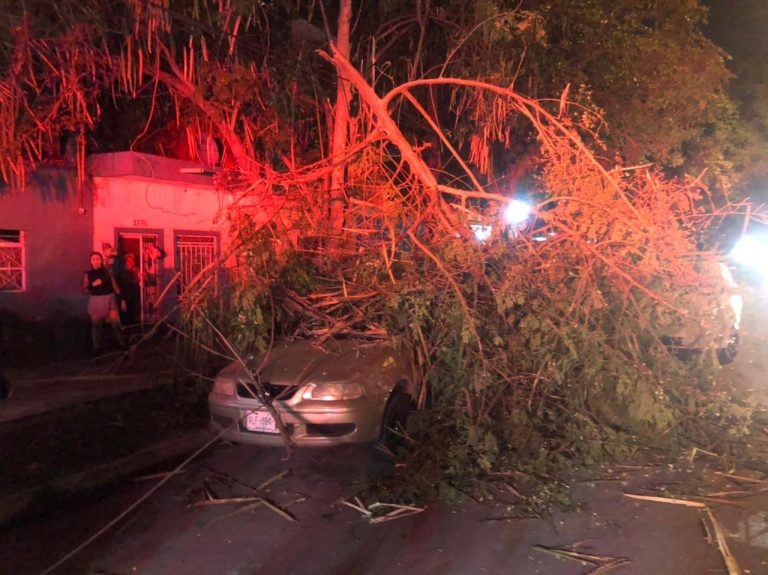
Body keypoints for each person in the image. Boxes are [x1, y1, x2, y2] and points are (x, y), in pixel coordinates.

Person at [82, 251, 126, 354]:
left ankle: (124, 346)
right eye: (93, 259)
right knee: (96, 326)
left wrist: (123, 299)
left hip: (109, 299)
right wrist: (93, 285)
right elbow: (84, 290)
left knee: (116, 324)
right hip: (96, 301)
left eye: (97, 259)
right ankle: (97, 349)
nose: (95, 261)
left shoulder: (108, 272)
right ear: (90, 261)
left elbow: (115, 286)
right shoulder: (88, 274)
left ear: (101, 260)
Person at [116, 253, 141, 329]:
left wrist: (139, 275)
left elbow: (138, 283)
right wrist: (122, 300)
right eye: (128, 261)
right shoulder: (122, 273)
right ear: (125, 262)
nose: (130, 263)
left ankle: (131, 333)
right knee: (125, 320)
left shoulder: (135, 271)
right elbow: (121, 287)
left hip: (133, 299)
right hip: (125, 300)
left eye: (132, 261)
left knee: (132, 320)